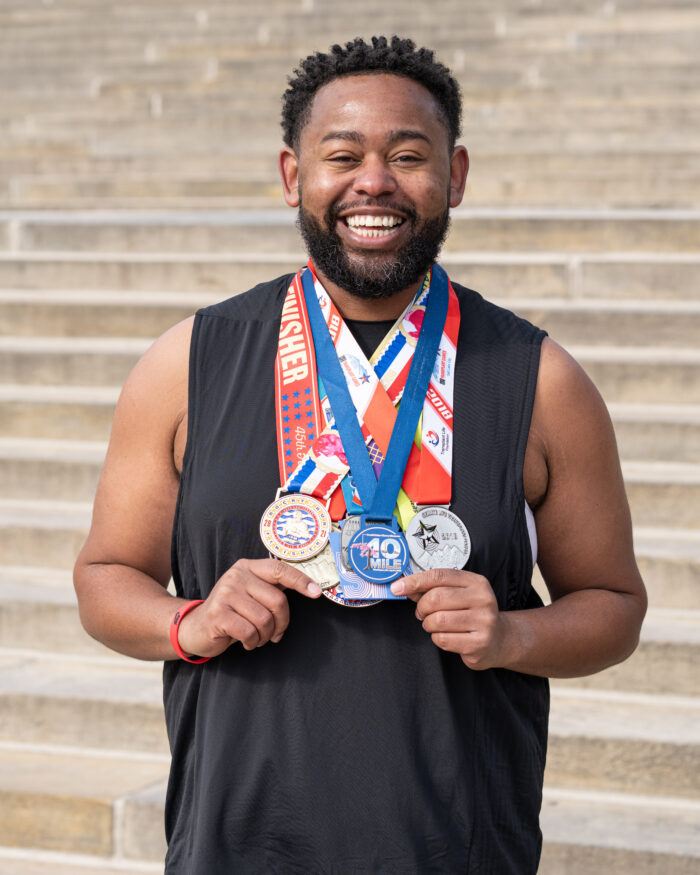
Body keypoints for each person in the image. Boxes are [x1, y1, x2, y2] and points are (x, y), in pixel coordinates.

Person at [74, 35, 647, 874]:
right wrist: (190, 621)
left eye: (407, 156)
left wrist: (511, 634)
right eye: (341, 155)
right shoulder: (187, 363)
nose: (373, 182)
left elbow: (615, 605)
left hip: (456, 845)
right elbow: (104, 578)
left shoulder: (540, 379)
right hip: (239, 841)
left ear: (455, 175)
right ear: (292, 175)